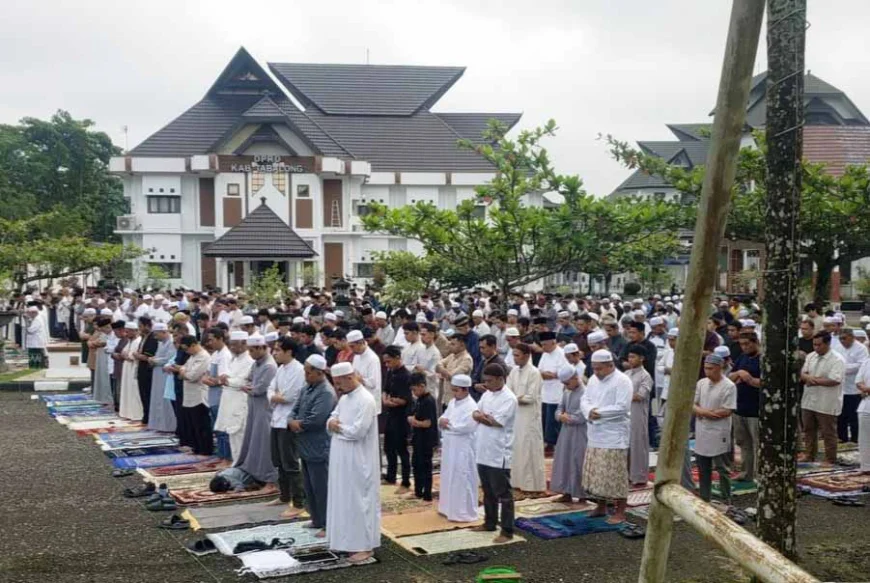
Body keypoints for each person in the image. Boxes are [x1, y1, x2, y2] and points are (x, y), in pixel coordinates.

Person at [326, 362, 380, 564]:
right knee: (344, 499)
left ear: (350, 377)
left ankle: (364, 546)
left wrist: (339, 428)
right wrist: (332, 424)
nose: (338, 387)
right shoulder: (346, 398)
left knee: (359, 501)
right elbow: (332, 418)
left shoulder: (366, 400)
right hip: (342, 457)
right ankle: (346, 541)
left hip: (359, 461)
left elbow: (358, 431)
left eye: (339, 383)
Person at [580, 349, 632, 524]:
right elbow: (584, 400)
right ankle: (601, 506)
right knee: (597, 474)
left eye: (599, 368)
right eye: (594, 368)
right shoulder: (594, 380)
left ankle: (620, 511)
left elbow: (622, 407)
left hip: (614, 436)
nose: (596, 372)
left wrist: (599, 413)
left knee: (615, 475)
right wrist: (589, 412)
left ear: (611, 365)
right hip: (595, 433)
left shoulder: (622, 381)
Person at [289, 354, 337, 537]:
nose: (305, 375)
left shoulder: (325, 392)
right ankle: (316, 518)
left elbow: (317, 419)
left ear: (318, 373)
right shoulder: (307, 387)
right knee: (309, 486)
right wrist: (292, 420)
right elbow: (295, 407)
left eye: (308, 372)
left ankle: (328, 523)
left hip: (318, 446)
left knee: (322, 488)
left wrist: (297, 424)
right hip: (305, 444)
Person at [471, 363, 518, 544]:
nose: (487, 384)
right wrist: (482, 417)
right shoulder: (487, 394)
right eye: (485, 381)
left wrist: (482, 417)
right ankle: (489, 522)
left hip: (499, 452)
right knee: (488, 490)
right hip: (483, 449)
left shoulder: (509, 399)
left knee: (503, 493)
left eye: (490, 381)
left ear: (500, 379)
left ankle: (507, 530)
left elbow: (496, 422)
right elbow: (476, 412)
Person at [267, 336, 307, 517]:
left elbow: (290, 396)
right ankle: (284, 496)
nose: (274, 353)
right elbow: (271, 390)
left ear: (288, 351)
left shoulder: (298, 370)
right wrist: (276, 396)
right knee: (278, 461)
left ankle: (299, 502)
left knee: (290, 462)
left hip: (289, 421)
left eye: (278, 350)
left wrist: (277, 396)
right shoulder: (280, 369)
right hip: (276, 419)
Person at [235, 334, 279, 483]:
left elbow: (260, 389)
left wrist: (248, 388)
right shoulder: (256, 363)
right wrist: (249, 387)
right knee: (254, 438)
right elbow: (249, 379)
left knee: (264, 441)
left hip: (264, 409)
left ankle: (268, 476)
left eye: (252, 350)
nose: (250, 354)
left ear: (261, 348)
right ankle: (254, 470)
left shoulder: (269, 366)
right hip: (255, 407)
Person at [693, 354, 737, 504]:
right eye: (705, 368)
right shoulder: (701, 383)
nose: (707, 371)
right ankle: (705, 497)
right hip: (702, 430)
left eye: (711, 369)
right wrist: (706, 413)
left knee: (722, 468)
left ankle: (726, 498)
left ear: (719, 368)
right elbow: (693, 404)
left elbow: (727, 410)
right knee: (703, 467)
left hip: (719, 431)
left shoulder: (729, 386)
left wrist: (703, 413)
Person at [437, 374, 480, 522]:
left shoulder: (472, 406)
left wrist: (448, 424)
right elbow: (444, 417)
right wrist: (442, 421)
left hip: (462, 447)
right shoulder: (453, 402)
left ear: (465, 390)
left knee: (462, 477)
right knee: (449, 475)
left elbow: (466, 427)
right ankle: (447, 508)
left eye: (456, 390)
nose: (454, 393)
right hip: (450, 445)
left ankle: (462, 512)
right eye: (453, 390)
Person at [799, 332, 846, 465]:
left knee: (828, 432)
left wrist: (813, 380)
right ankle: (809, 454)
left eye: (819, 345)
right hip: (809, 399)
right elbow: (802, 373)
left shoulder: (837, 359)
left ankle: (830, 458)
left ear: (827, 344)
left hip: (827, 401)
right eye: (814, 344)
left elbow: (834, 380)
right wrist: (808, 378)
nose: (816, 348)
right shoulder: (811, 356)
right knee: (808, 429)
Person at [506, 342, 546, 493]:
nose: (515, 359)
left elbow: (530, 397)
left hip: (529, 417)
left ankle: (532, 486)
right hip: (516, 417)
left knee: (529, 449)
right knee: (517, 448)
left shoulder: (534, 373)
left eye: (517, 355)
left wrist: (515, 398)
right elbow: (508, 392)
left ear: (527, 356)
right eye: (514, 355)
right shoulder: (514, 372)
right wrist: (516, 397)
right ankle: (516, 482)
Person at [214, 331, 254, 461]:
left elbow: (244, 381)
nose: (231, 348)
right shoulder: (235, 358)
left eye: (234, 345)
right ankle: (236, 464)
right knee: (232, 436)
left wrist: (227, 380)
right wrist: (226, 378)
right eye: (230, 345)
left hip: (240, 402)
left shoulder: (249, 360)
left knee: (240, 435)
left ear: (244, 344)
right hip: (229, 401)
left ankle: (241, 466)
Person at [551, 365, 588, 503]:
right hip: (566, 432)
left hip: (581, 432)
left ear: (575, 377)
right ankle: (566, 492)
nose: (566, 386)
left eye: (567, 383)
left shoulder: (586, 392)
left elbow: (584, 415)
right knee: (564, 460)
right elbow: (559, 409)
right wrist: (561, 416)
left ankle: (582, 494)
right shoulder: (567, 391)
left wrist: (569, 418)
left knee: (579, 461)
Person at [729, 332, 761, 482]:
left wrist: (750, 380)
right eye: (742, 344)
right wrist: (739, 373)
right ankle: (746, 472)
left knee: (758, 443)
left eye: (747, 344)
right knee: (743, 442)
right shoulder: (742, 357)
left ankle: (759, 473)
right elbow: (730, 377)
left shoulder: (763, 359)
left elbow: (768, 383)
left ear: (756, 342)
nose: (744, 347)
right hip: (739, 406)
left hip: (756, 409)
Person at [381, 345, 412, 494]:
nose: (387, 365)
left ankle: (405, 482)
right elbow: (385, 390)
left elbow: (405, 400)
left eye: (389, 361)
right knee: (388, 448)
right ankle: (391, 476)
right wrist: (385, 399)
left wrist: (390, 401)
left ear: (397, 358)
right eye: (385, 362)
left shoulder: (405, 375)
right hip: (391, 415)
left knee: (402, 450)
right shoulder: (390, 372)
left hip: (401, 417)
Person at [176, 335, 213, 455]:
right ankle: (196, 447)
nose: (186, 352)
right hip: (190, 395)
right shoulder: (193, 356)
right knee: (193, 424)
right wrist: (183, 371)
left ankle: (205, 449)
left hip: (199, 396)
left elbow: (192, 376)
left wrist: (183, 372)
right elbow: (183, 369)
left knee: (201, 424)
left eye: (187, 349)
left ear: (193, 345)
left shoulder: (203, 356)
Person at [407, 372, 438, 501]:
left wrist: (414, 422)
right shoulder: (419, 400)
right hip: (418, 438)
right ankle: (418, 491)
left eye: (414, 389)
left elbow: (427, 423)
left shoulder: (429, 401)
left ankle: (427, 494)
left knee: (425, 466)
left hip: (426, 439)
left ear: (421, 386)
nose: (414, 393)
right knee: (416, 464)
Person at [833, 328, 867, 444]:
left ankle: (855, 439)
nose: (842, 341)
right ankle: (842, 437)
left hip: (854, 388)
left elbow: (861, 365)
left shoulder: (861, 348)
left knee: (853, 416)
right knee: (841, 415)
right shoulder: (838, 347)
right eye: (840, 338)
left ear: (852, 337)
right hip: (841, 387)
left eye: (844, 338)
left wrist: (844, 368)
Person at [625, 345, 652, 486]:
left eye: (633, 357)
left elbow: (640, 396)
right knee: (626, 444)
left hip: (637, 414)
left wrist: (624, 396)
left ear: (642, 358)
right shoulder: (626, 374)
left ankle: (639, 477)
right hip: (625, 413)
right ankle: (627, 474)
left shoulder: (645, 376)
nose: (630, 359)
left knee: (637, 444)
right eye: (629, 357)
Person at [537, 331, 568, 451]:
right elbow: (540, 370)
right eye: (542, 345)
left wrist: (551, 375)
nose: (543, 347)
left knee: (553, 420)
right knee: (545, 419)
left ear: (553, 342)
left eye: (545, 344)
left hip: (557, 392)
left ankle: (554, 444)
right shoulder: (545, 354)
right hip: (545, 391)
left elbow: (563, 373)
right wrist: (545, 374)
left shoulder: (561, 354)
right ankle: (547, 442)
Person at [147, 322, 177, 433]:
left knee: (165, 400)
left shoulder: (171, 342)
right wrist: (153, 359)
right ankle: (159, 424)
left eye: (157, 334)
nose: (155, 337)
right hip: (158, 373)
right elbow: (159, 356)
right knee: (157, 397)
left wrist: (153, 360)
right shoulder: (161, 343)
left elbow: (168, 359)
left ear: (164, 332)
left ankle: (168, 426)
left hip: (165, 374)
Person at [348, 329, 382, 415]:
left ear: (360, 343)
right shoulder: (357, 356)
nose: (351, 350)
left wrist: (360, 379)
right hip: (358, 398)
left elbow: (373, 383)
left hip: (370, 401)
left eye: (352, 346)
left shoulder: (372, 359)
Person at [436, 334, 474, 410]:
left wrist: (442, 371)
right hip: (446, 398)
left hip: (458, 400)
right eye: (450, 343)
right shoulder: (452, 356)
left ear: (462, 345)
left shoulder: (466, 359)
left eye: (453, 344)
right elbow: (437, 364)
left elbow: (452, 376)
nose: (450, 346)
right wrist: (444, 371)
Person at [134, 316, 159, 425]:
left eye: (140, 326)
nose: (139, 328)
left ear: (147, 326)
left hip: (147, 371)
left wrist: (137, 355)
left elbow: (148, 356)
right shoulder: (145, 337)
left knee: (147, 394)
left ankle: (149, 417)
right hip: (141, 369)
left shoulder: (152, 338)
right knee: (143, 394)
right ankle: (146, 415)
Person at [119, 321, 144, 421]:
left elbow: (132, 356)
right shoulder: (130, 341)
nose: (126, 334)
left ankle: (136, 414)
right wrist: (126, 355)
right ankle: (127, 413)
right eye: (126, 331)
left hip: (134, 368)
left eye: (128, 332)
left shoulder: (138, 341)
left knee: (134, 392)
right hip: (127, 368)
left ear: (135, 331)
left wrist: (126, 356)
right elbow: (123, 352)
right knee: (127, 390)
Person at [853, 357, 870, 473]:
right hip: (866, 405)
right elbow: (858, 381)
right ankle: (866, 467)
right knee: (864, 439)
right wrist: (864, 389)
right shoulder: (866, 361)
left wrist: (867, 389)